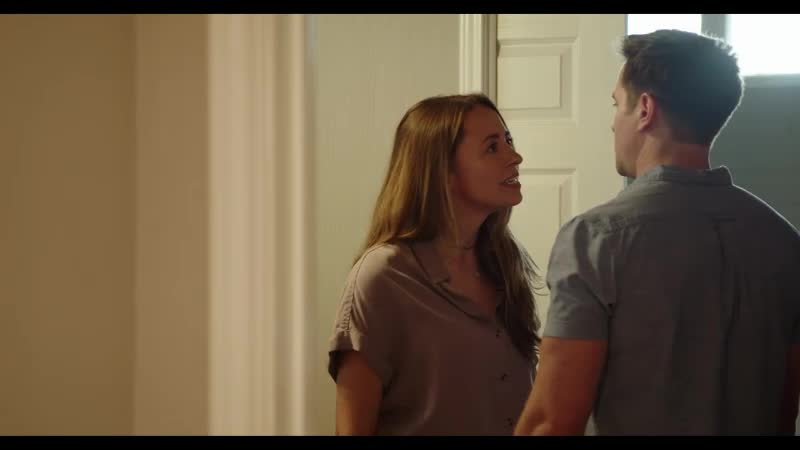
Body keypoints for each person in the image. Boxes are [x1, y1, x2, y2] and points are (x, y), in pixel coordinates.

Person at [514, 29, 800, 435]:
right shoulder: (784, 242)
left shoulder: (596, 239)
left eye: (617, 104)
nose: (613, 123)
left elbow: (552, 421)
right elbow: (784, 411)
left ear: (645, 109)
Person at [327, 93, 542, 435]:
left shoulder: (505, 262)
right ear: (443, 170)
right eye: (492, 147)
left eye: (509, 141)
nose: (515, 157)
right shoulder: (382, 277)